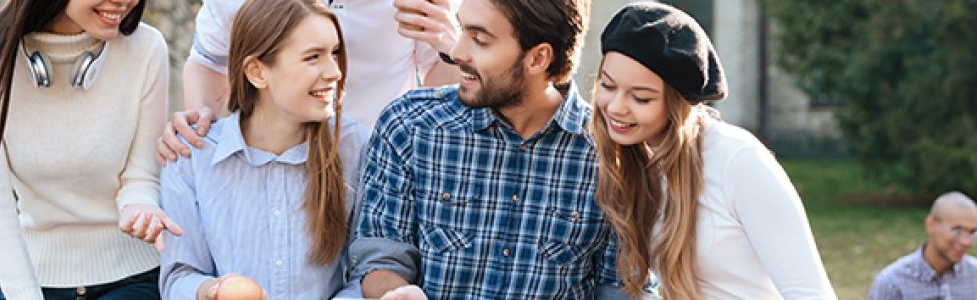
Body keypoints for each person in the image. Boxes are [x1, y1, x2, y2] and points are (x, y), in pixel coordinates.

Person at [349, 0, 640, 298]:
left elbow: (619, 287)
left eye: (479, 40)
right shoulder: (408, 126)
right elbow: (380, 255)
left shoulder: (613, 157)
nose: (457, 52)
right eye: (462, 30)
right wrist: (396, 293)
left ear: (538, 59)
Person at [590, 3, 837, 299]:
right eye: (607, 85)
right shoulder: (635, 161)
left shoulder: (738, 161)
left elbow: (810, 293)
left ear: (676, 104)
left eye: (641, 98)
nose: (616, 107)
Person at [157, 0, 371, 299]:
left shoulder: (355, 146)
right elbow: (178, 278)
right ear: (257, 72)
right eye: (313, 57)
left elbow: (368, 276)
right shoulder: (192, 155)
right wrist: (215, 291)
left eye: (334, 53)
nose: (335, 71)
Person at [0, 0, 175, 299]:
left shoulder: (146, 48)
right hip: (30, 278)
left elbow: (141, 176)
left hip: (132, 279)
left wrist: (139, 205)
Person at [154, 0, 461, 165]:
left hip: (378, 168)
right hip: (270, 164)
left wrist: (450, 48)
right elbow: (209, 61)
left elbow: (437, 83)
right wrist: (201, 123)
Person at [868, 191, 977, 299]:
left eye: (972, 232)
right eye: (957, 230)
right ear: (931, 225)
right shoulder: (892, 283)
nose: (966, 241)